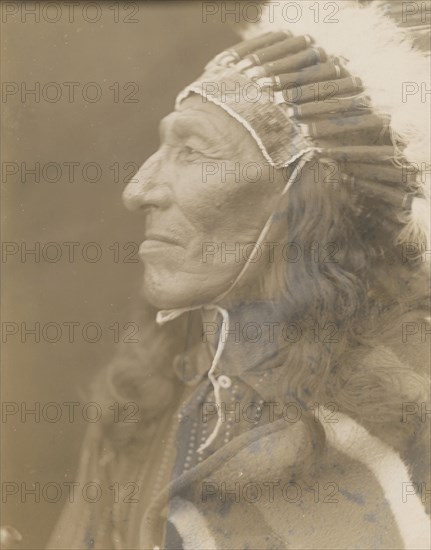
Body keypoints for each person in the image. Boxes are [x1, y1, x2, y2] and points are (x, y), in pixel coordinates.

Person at [47, 1, 430, 548]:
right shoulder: (153, 387)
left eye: (192, 151)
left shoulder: (407, 414)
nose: (138, 190)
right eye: (163, 147)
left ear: (302, 201)